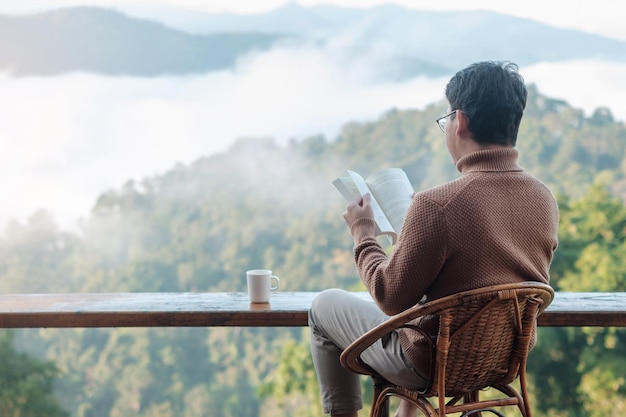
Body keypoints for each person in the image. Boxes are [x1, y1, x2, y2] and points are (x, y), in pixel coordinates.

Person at [308, 61, 560, 417]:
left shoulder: (437, 205)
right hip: (503, 358)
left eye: (446, 120)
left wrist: (362, 232)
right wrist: (413, 232)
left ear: (461, 122)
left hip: (431, 365)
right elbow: (482, 277)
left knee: (323, 306)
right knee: (428, 317)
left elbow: (389, 296)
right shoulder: (543, 197)